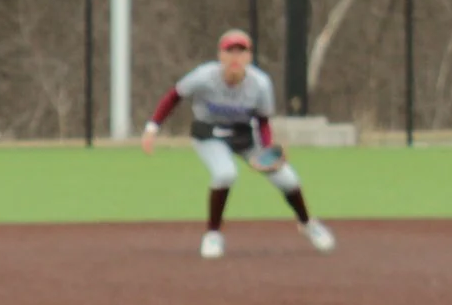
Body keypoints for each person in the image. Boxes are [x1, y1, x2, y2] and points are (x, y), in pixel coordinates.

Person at [142, 29, 335, 259]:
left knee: (289, 179)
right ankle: (213, 234)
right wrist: (152, 127)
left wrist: (266, 148)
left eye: (241, 51)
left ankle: (307, 224)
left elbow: (262, 120)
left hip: (245, 137)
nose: (235, 57)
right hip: (209, 135)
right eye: (229, 51)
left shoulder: (260, 83)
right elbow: (174, 96)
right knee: (225, 174)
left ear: (249, 57)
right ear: (220, 56)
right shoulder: (203, 76)